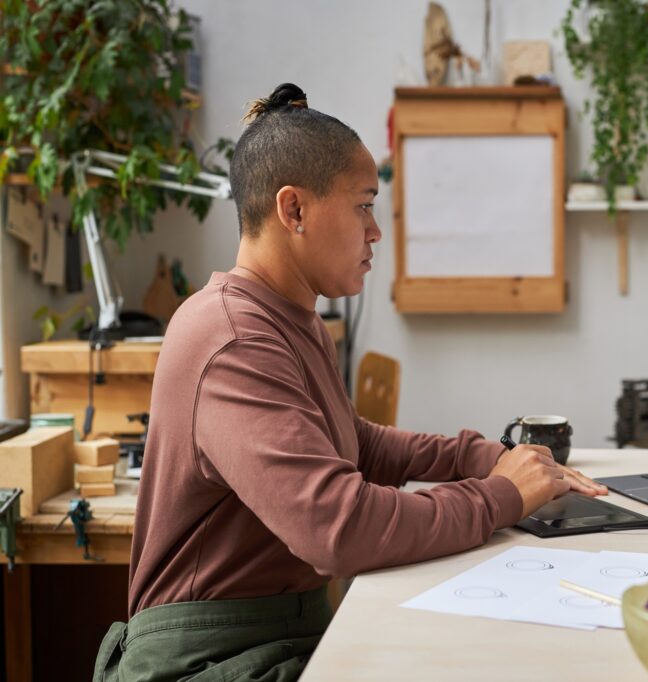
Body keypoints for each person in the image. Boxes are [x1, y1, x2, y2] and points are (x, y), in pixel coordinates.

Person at [93, 83, 607, 681]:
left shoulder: (294, 318)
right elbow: (339, 527)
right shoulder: (233, 339)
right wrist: (501, 497)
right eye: (364, 205)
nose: (375, 231)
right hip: (209, 661)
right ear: (294, 210)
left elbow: (353, 443)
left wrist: (487, 457)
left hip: (276, 636)